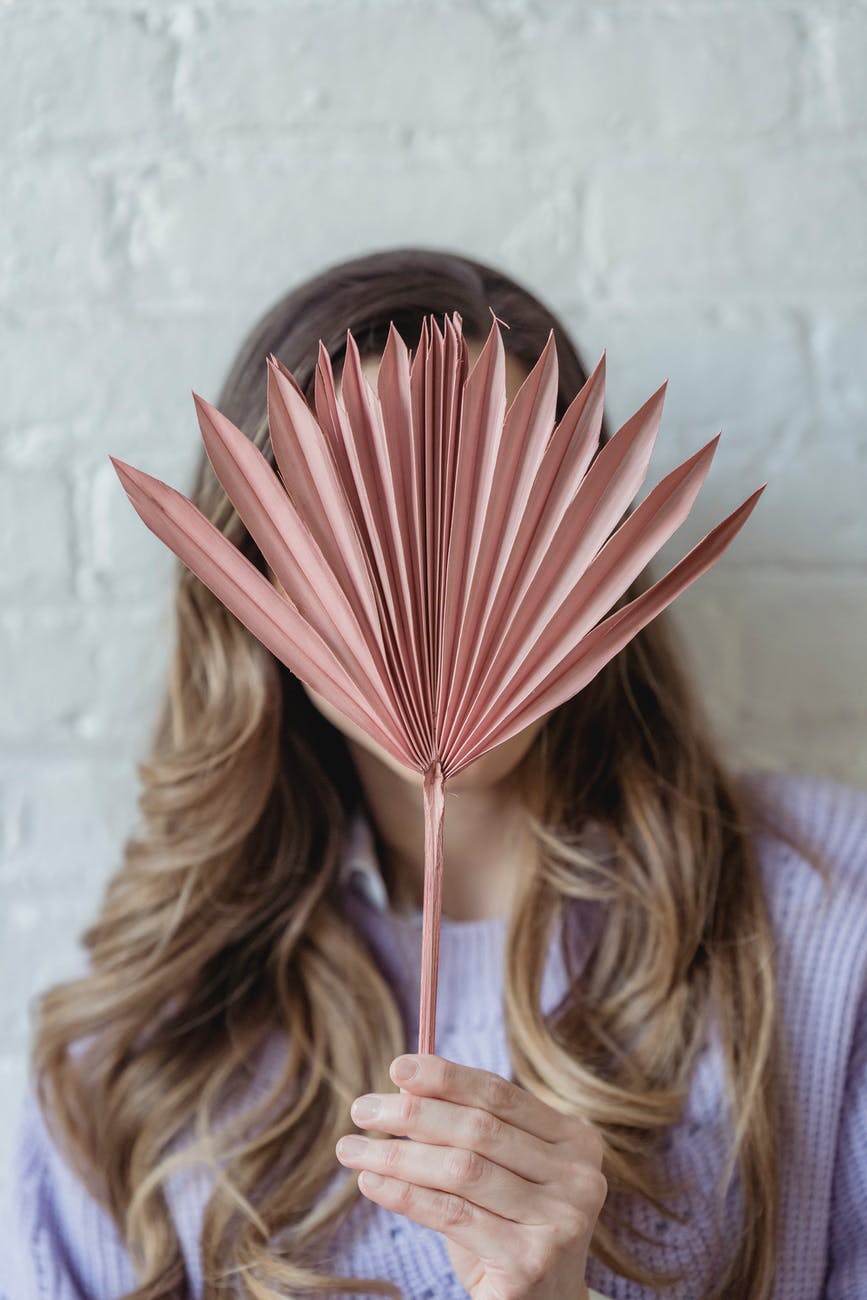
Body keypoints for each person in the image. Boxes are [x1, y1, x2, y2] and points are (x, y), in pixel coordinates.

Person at [1, 248, 865, 1300]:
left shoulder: (831, 915)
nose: (440, 591)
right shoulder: (133, 1051)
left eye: (505, 513)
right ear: (257, 578)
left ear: (597, 549)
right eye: (357, 529)